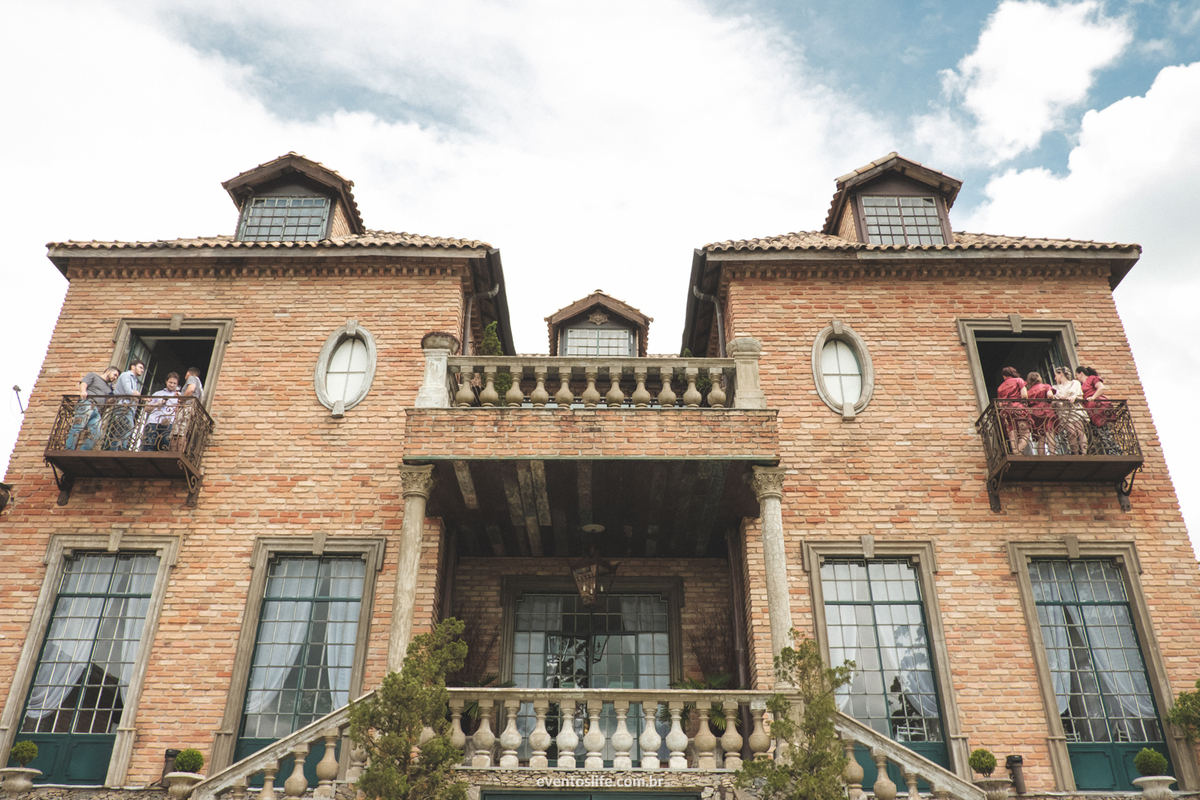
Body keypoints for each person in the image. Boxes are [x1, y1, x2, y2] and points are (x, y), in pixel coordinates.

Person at [64, 366, 118, 450]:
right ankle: (68, 449)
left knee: (97, 434)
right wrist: (83, 391)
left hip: (97, 411)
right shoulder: (93, 375)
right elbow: (84, 383)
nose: (115, 378)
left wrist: (115, 393)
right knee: (78, 427)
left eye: (117, 377)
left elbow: (108, 404)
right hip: (87, 404)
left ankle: (83, 451)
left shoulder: (109, 389)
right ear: (108, 371)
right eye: (115, 375)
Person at [105, 360, 145, 451]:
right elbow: (129, 391)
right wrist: (136, 395)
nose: (142, 370)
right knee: (130, 427)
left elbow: (134, 395)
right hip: (123, 406)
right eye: (140, 367)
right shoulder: (126, 375)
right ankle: (122, 448)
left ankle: (114, 450)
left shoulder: (134, 380)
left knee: (120, 430)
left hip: (127, 406)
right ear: (133, 367)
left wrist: (138, 396)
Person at [1077, 365, 1117, 453]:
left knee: (1105, 431)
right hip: (1092, 411)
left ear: (1081, 373)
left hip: (1098, 407)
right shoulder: (1082, 385)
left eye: (1077, 375)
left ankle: (1113, 451)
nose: (1076, 378)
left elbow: (1102, 387)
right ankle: (1111, 450)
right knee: (1102, 433)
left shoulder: (1091, 378)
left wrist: (1093, 397)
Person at [1049, 366, 1087, 455]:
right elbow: (1053, 401)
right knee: (1071, 432)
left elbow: (1080, 396)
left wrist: (1074, 397)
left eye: (1055, 375)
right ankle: (1076, 454)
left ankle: (1084, 454)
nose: (1055, 378)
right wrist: (1059, 399)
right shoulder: (1054, 388)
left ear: (1061, 373)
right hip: (1064, 411)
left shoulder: (1075, 383)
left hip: (1075, 409)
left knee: (1080, 431)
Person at [141, 373, 180, 451]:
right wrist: (157, 404)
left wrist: (179, 401)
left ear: (177, 384)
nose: (172, 385)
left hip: (169, 422)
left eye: (174, 383)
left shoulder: (179, 396)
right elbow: (146, 409)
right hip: (153, 421)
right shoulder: (157, 394)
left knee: (166, 445)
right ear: (166, 382)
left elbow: (182, 410)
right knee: (149, 445)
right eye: (170, 382)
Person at [997, 366, 1030, 455]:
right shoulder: (1018, 380)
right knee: (1025, 433)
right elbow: (1024, 396)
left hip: (1005, 412)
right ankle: (1019, 453)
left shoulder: (1000, 387)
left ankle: (1015, 453)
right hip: (1018, 408)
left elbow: (999, 404)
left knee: (1012, 433)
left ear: (1004, 376)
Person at [172, 367, 205, 452]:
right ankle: (180, 452)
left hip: (187, 408)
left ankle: (175, 452)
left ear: (188, 373)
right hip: (192, 410)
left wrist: (181, 399)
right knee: (183, 432)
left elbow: (191, 389)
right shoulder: (200, 385)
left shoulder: (192, 378)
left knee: (178, 432)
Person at [1026, 371, 1056, 455]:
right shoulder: (1046, 386)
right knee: (1050, 433)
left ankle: (1041, 457)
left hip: (1034, 413)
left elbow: (1026, 403)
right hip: (1046, 410)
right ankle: (1053, 454)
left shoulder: (1028, 392)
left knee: (1040, 438)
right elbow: (1050, 395)